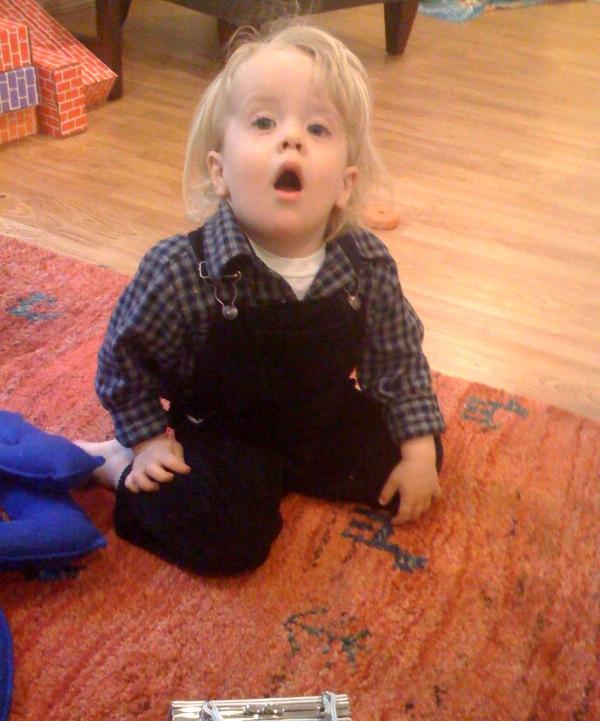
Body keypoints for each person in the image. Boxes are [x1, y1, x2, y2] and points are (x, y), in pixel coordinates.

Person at [81, 21, 446, 575]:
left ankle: (300, 470)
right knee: (228, 538)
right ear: (220, 172)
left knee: (422, 448)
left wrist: (417, 451)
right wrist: (147, 440)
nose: (291, 138)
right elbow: (124, 362)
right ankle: (113, 467)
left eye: (317, 128)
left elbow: (397, 359)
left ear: (344, 184)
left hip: (321, 418)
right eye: (264, 122)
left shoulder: (364, 263)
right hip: (225, 434)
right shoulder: (181, 269)